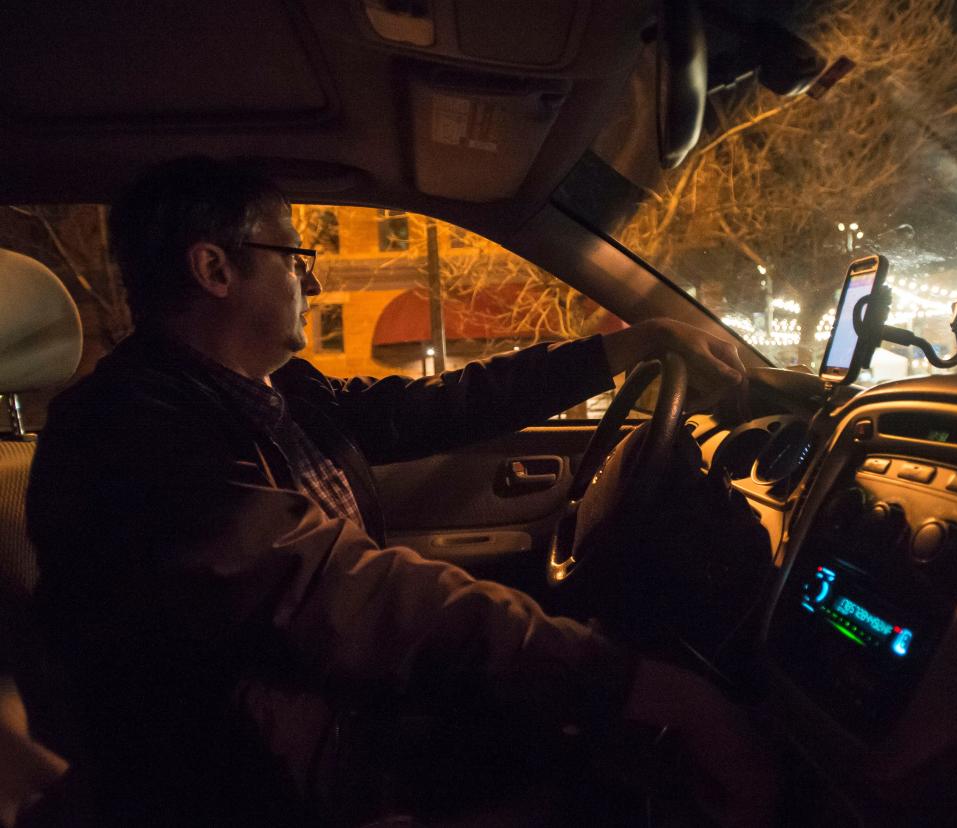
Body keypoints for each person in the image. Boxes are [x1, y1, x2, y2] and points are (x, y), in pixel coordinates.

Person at [25, 157, 775, 826]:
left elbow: (432, 407)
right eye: (294, 255)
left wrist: (625, 346)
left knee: (597, 741)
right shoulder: (126, 432)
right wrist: (629, 681)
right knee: (611, 760)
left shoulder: (271, 391)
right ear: (215, 270)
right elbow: (337, 591)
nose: (311, 278)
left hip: (317, 720)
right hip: (236, 775)